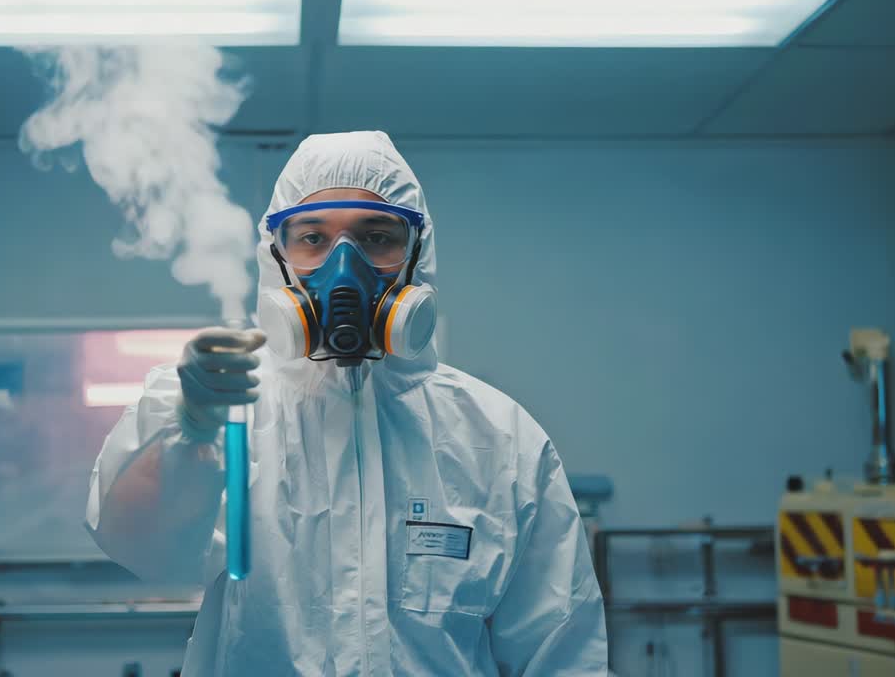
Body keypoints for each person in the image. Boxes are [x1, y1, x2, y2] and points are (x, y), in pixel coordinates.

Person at [86, 131, 607, 675]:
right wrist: (189, 431)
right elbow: (138, 547)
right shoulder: (224, 404)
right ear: (277, 256)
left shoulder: (500, 437)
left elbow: (559, 650)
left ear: (416, 254)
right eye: (312, 237)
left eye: (377, 236)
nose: (344, 267)